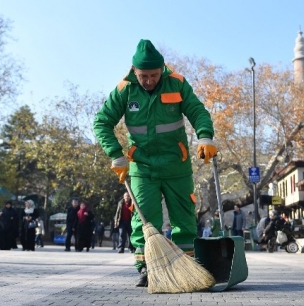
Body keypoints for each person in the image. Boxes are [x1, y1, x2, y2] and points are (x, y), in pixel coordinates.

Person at [93, 39, 217, 287]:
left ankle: (188, 268)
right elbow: (102, 122)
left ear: (163, 70)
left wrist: (205, 136)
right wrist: (116, 155)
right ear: (134, 71)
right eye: (143, 76)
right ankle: (148, 268)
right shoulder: (124, 90)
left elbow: (197, 111)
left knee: (184, 219)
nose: (149, 80)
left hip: (176, 165)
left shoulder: (177, 83)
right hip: (142, 167)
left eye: (153, 75)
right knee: (145, 220)